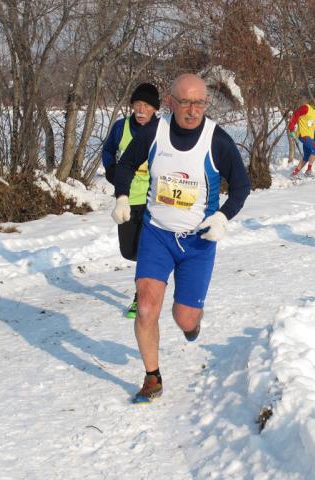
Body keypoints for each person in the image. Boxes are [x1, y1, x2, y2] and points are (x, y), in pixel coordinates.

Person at [111, 73, 251, 403]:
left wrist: (222, 216)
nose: (192, 110)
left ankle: (192, 324)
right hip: (157, 234)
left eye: (199, 102)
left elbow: (242, 186)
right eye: (185, 102)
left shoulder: (217, 140)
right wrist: (120, 197)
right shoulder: (153, 132)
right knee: (145, 308)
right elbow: (126, 164)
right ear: (171, 102)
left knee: (183, 317)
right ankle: (152, 377)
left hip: (198, 242)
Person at [102, 82, 160, 318]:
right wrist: (111, 171)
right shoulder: (121, 127)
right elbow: (107, 151)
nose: (141, 109)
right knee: (129, 251)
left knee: (146, 251)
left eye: (146, 105)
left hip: (153, 200)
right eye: (137, 104)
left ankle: (142, 296)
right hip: (126, 199)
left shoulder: (163, 130)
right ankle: (152, 278)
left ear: (154, 109)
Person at [287, 92, 315, 177]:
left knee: (307, 156)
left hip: (310, 136)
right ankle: (308, 171)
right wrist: (291, 129)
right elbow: (295, 115)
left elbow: (312, 122)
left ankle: (294, 174)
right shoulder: (306, 108)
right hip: (303, 135)